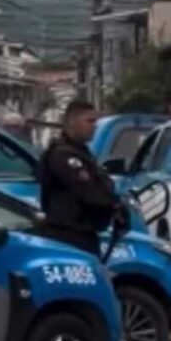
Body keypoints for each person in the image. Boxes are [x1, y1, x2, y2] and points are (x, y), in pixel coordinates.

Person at [39, 100, 125, 257]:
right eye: (89, 121)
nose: (94, 126)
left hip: (83, 235)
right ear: (72, 123)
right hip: (67, 236)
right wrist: (114, 205)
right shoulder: (63, 155)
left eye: (96, 121)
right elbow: (91, 193)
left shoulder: (82, 153)